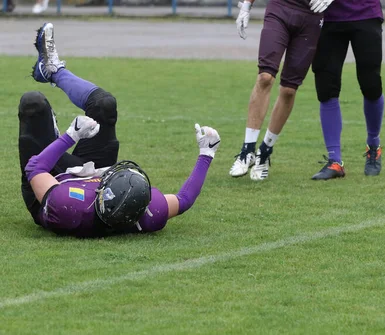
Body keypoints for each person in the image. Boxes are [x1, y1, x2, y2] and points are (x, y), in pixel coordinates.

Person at [20, 23, 221, 238]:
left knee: (34, 103)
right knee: (104, 106)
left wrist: (71, 136)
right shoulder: (145, 211)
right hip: (88, 180)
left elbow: (35, 168)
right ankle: (52, 70)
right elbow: (184, 200)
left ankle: (53, 134)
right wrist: (207, 154)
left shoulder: (66, 205)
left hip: (53, 182)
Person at [230, 0, 334, 180]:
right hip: (280, 7)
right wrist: (247, 5)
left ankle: (265, 151)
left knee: (289, 90)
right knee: (265, 77)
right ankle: (247, 150)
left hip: (310, 15)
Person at [310, 0, 385, 180]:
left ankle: (373, 146)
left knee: (371, 85)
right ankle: (335, 161)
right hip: (327, 17)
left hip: (365, 12)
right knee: (326, 87)